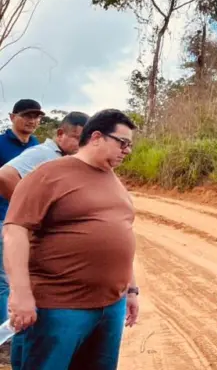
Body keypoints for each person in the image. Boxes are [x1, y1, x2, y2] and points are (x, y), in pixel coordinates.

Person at [3, 109, 139, 370]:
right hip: (60, 307)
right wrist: (20, 294)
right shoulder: (49, 174)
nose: (127, 150)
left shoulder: (114, 180)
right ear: (97, 137)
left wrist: (131, 289)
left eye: (129, 144)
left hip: (111, 306)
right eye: (123, 143)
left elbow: (122, 233)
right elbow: (15, 231)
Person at [0, 99, 44, 325]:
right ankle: (6, 333)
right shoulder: (0, 144)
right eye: (27, 115)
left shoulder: (38, 147)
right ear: (11, 117)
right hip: (4, 218)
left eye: (36, 117)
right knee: (5, 277)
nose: (32, 120)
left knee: (27, 273)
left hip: (32, 223)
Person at [0, 112, 89, 200]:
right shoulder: (44, 153)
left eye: (87, 141)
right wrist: (29, 209)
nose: (83, 144)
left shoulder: (64, 157)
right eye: (78, 138)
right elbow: (5, 175)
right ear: (60, 134)